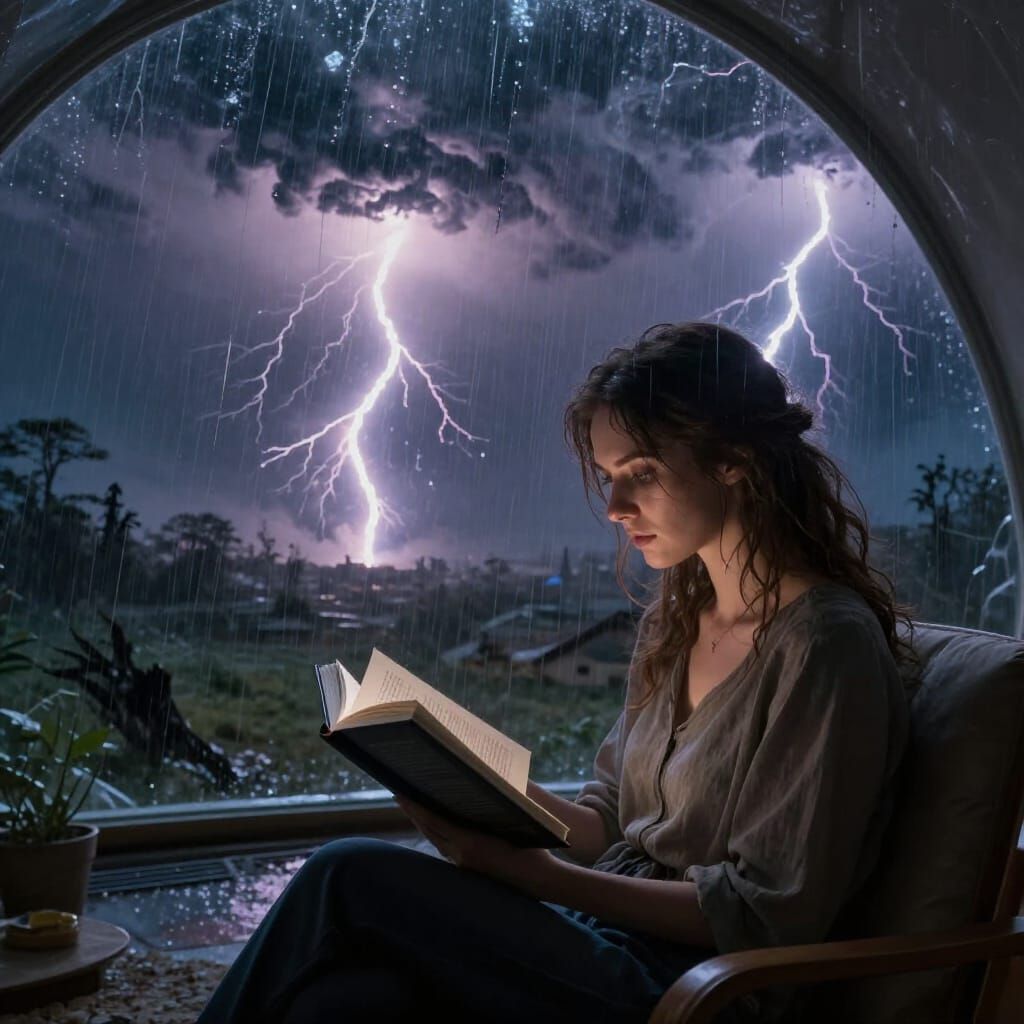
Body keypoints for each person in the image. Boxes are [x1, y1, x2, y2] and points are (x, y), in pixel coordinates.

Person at [196, 321, 913, 1024]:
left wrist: (529, 875)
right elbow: (608, 822)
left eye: (641, 473)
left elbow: (762, 913)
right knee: (340, 1002)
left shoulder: (825, 647)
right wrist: (476, 786)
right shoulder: (677, 620)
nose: (615, 508)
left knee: (345, 871)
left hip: (694, 989)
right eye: (608, 477)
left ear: (733, 459)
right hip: (598, 935)